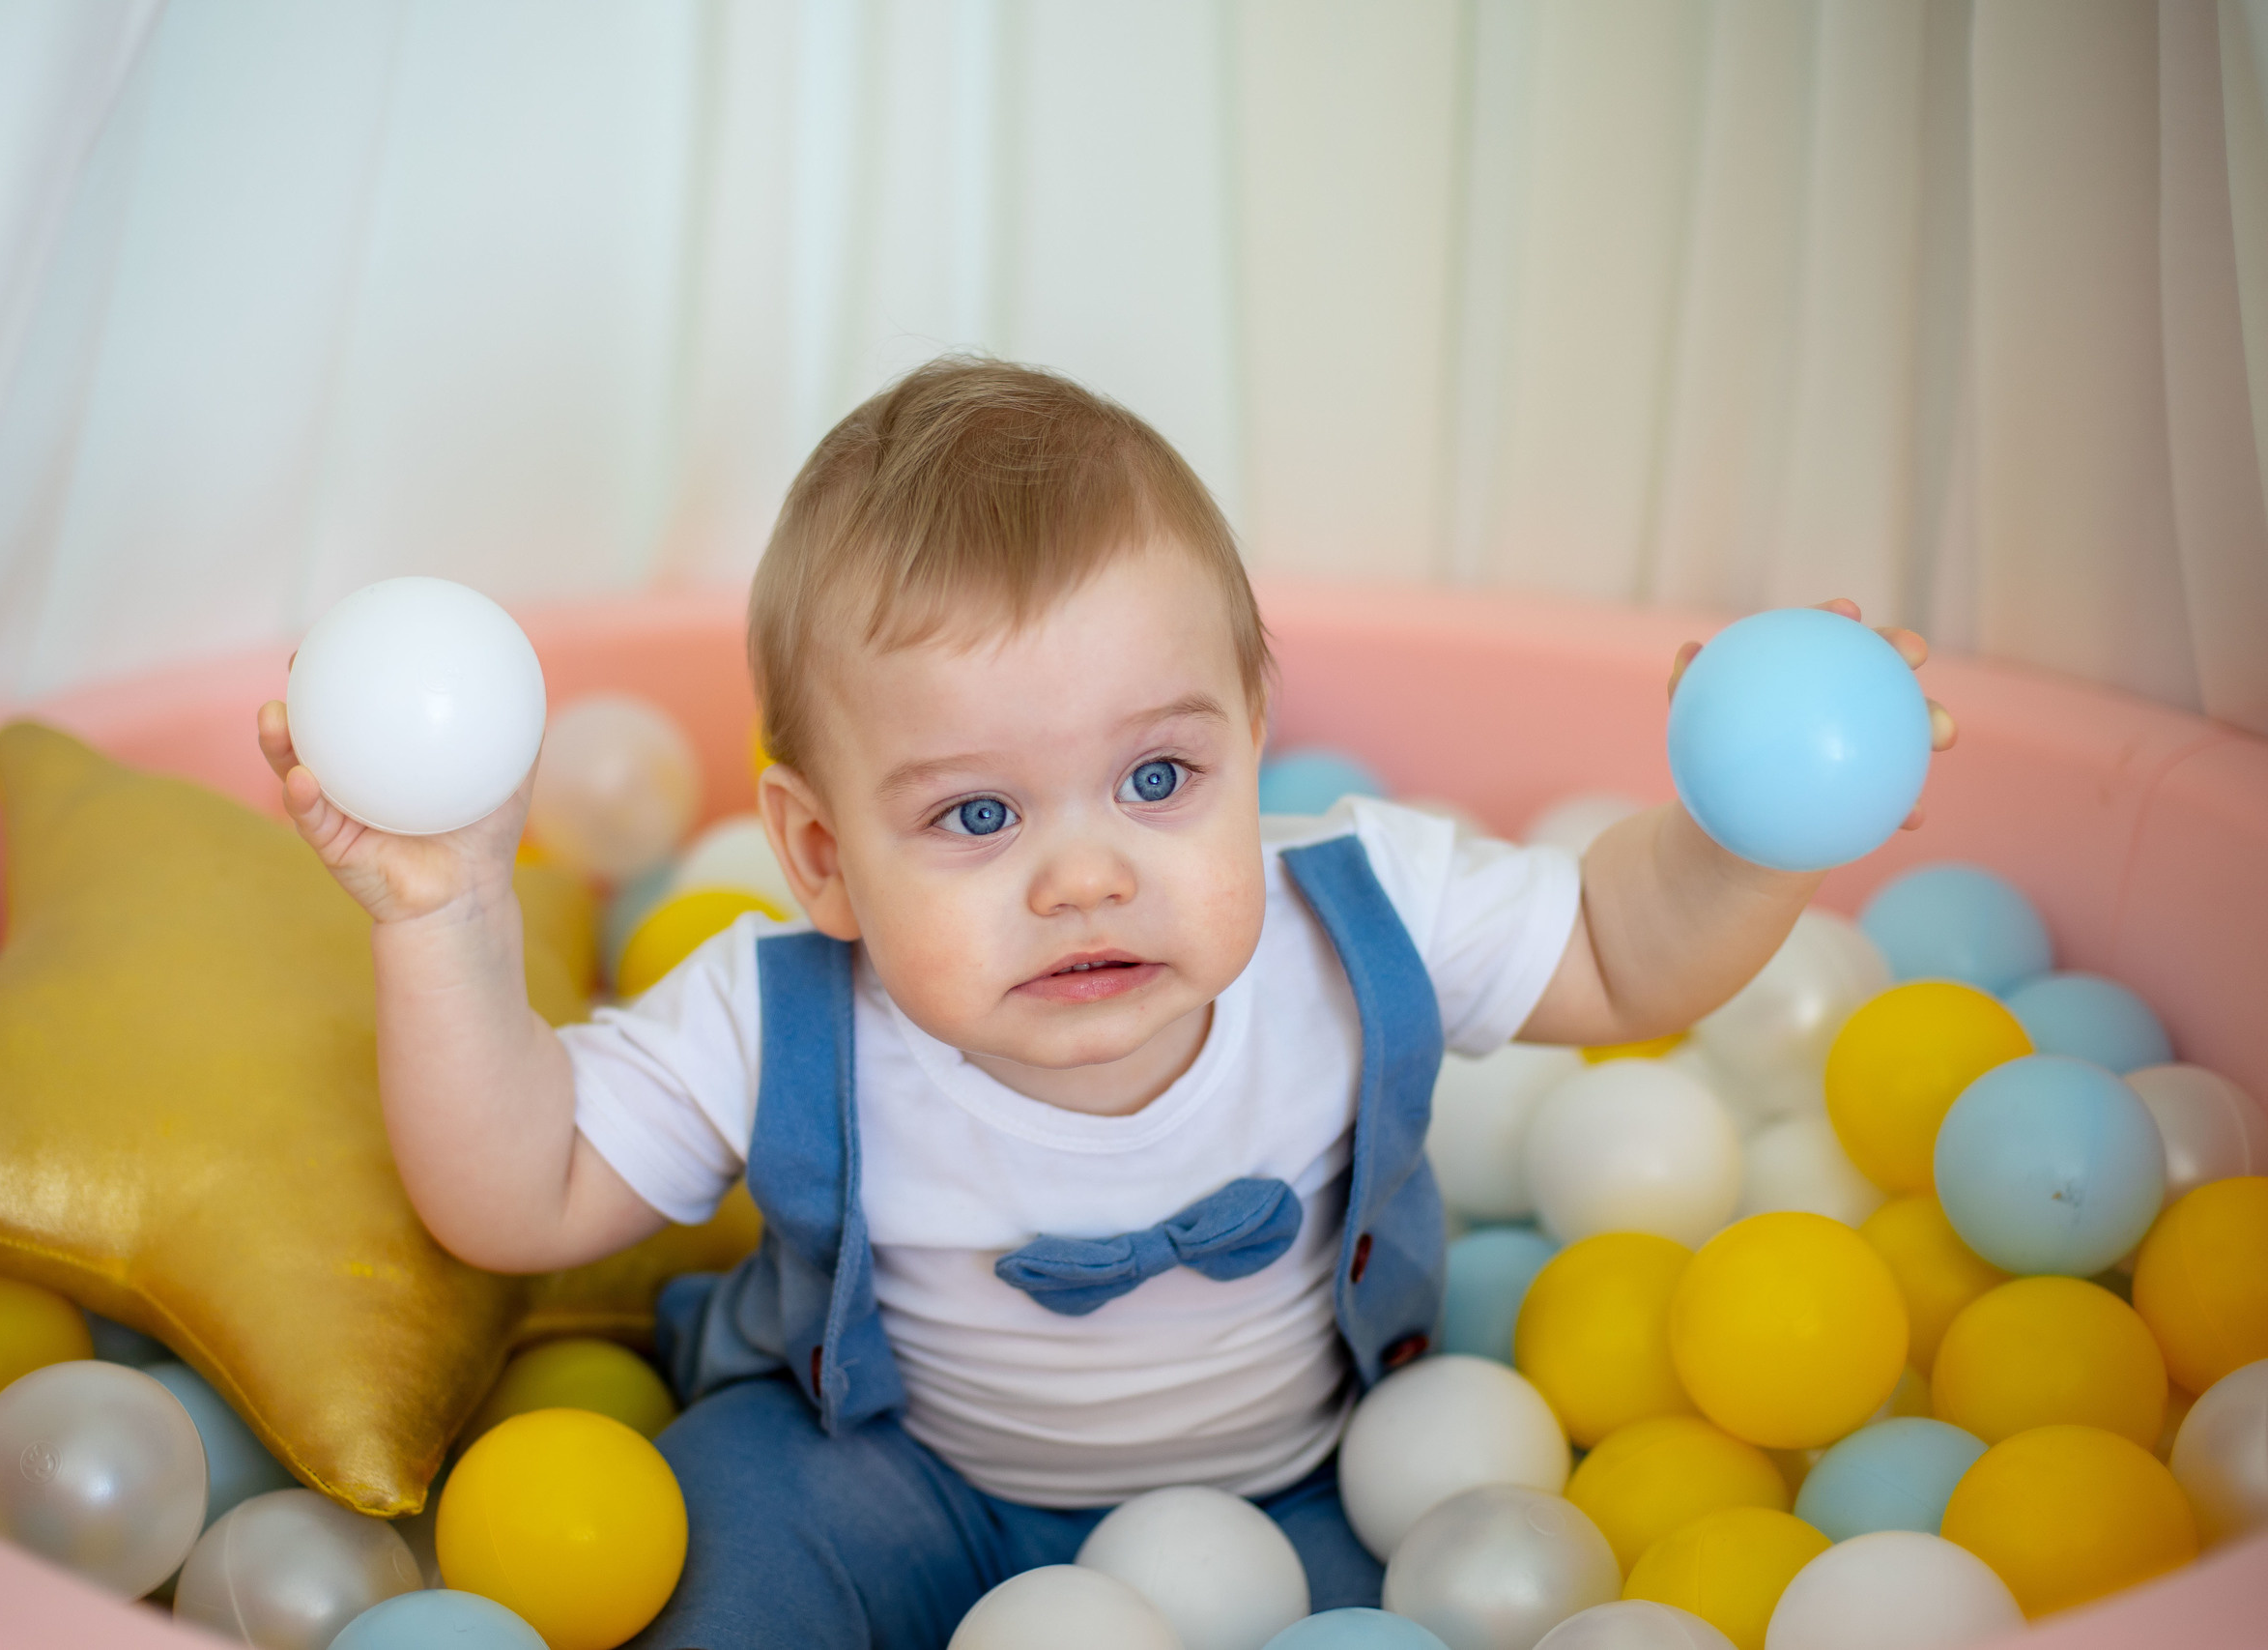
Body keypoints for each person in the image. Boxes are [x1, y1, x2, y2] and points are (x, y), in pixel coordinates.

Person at [256, 357, 1953, 1648]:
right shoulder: (781, 1017)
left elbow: (1619, 949)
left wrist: (1753, 820)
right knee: (719, 1523)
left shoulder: (1362, 906)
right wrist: (447, 911)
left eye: (1158, 776)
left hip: (1304, 1481)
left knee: (1437, 1592)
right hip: (898, 1475)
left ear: (1254, 736)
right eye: (978, 818)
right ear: (820, 857)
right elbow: (514, 1193)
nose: (1084, 878)